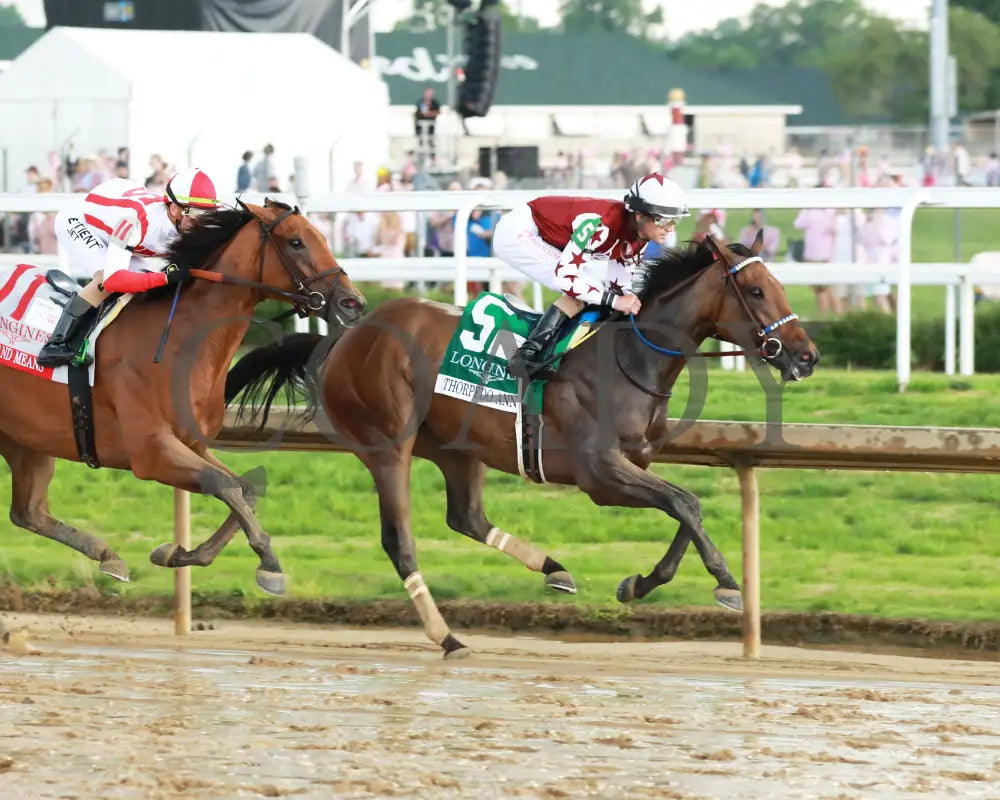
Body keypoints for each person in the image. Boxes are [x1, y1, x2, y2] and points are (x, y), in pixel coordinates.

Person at [493, 173, 689, 380]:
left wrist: (627, 302)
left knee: (598, 294)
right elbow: (566, 279)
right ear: (639, 215)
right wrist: (616, 300)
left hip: (544, 236)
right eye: (663, 219)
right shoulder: (600, 225)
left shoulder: (638, 239)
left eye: (674, 219)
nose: (670, 227)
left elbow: (619, 289)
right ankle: (525, 357)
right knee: (587, 288)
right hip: (518, 231)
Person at [36, 167, 223, 367]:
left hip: (123, 235)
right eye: (196, 213)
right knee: (106, 282)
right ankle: (57, 344)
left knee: (146, 283)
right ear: (174, 208)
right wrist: (165, 277)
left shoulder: (184, 221)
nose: (202, 223)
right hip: (79, 222)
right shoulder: (139, 223)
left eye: (208, 215)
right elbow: (114, 280)